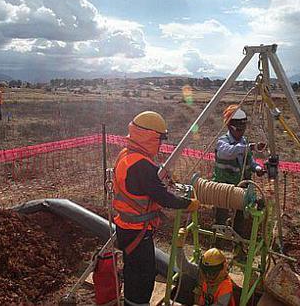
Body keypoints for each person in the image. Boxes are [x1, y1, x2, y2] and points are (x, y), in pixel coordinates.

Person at [112, 111, 200, 306]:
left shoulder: (128, 154)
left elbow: (149, 182)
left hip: (125, 226)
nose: (160, 145)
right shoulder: (141, 165)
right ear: (150, 137)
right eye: (159, 139)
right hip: (138, 231)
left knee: (132, 269)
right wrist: (188, 204)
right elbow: (163, 197)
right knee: (142, 276)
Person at [212, 105, 266, 238]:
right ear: (230, 127)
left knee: (240, 220)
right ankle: (217, 247)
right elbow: (228, 153)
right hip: (223, 188)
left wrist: (258, 168)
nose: (241, 132)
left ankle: (238, 246)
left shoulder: (244, 142)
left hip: (242, 189)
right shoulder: (222, 142)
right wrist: (250, 147)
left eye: (243, 128)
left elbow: (250, 161)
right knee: (221, 218)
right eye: (238, 129)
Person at [176, 229, 235, 306]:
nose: (208, 276)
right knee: (184, 278)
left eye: (212, 273)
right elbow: (184, 266)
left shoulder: (226, 285)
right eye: (205, 272)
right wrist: (179, 247)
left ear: (222, 269)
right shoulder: (202, 273)